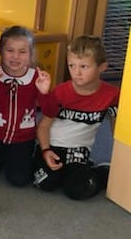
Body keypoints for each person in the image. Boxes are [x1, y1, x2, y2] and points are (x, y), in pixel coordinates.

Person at [33, 35, 119, 200]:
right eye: (71, 65)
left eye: (84, 66)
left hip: (78, 151)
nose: (76, 73)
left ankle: (102, 171)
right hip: (51, 146)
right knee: (43, 182)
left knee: (78, 190)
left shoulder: (112, 95)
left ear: (102, 67)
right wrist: (46, 150)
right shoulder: (61, 92)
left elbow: (118, 127)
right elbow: (43, 126)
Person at [0, 26, 52, 186]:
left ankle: (20, 156)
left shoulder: (36, 77)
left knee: (19, 180)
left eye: (22, 52)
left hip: (23, 138)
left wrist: (45, 93)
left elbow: (50, 111)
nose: (15, 57)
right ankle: (0, 157)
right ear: (1, 52)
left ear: (30, 54)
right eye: (10, 50)